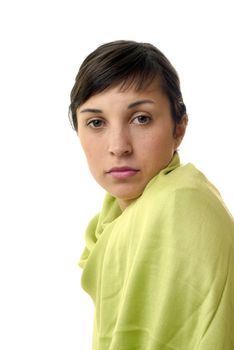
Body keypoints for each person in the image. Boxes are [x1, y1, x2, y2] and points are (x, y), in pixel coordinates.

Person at [69, 40, 234, 349]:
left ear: (179, 128)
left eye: (141, 118)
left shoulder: (179, 203)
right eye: (96, 123)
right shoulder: (113, 221)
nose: (119, 146)